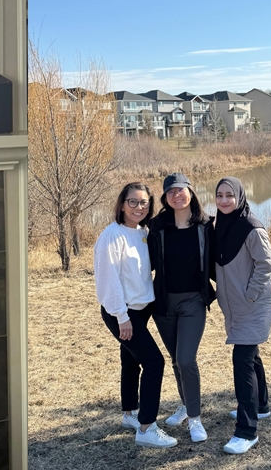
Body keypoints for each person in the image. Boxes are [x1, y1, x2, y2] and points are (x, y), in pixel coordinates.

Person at [93, 183, 176, 448]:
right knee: (155, 363)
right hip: (123, 311)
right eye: (132, 202)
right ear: (121, 204)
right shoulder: (111, 236)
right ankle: (146, 428)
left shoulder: (142, 232)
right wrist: (121, 317)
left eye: (144, 203)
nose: (138, 207)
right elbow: (109, 281)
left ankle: (129, 413)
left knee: (131, 362)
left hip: (142, 308)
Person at [147, 172, 215, 444]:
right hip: (163, 304)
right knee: (176, 359)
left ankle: (195, 420)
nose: (177, 195)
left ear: (191, 191)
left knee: (186, 359)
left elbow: (218, 260)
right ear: (165, 198)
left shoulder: (206, 225)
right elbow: (143, 262)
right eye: (170, 192)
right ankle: (186, 406)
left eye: (181, 189)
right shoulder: (156, 226)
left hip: (192, 301)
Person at [211, 177, 271, 455]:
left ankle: (246, 431)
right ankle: (261, 407)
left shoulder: (252, 228)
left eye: (230, 195)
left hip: (253, 305)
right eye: (220, 195)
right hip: (236, 306)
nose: (224, 200)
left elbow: (266, 264)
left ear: (240, 197)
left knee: (242, 361)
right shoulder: (221, 226)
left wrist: (248, 295)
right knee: (251, 356)